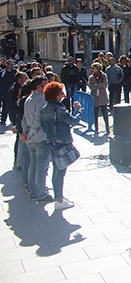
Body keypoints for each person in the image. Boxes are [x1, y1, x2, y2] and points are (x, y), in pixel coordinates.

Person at [39, 81, 83, 211]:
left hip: (51, 142)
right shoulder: (60, 109)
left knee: (56, 170)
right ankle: (59, 199)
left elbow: (43, 126)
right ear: (56, 95)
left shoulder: (44, 109)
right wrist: (78, 110)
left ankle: (60, 197)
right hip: (62, 142)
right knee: (60, 172)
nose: (62, 95)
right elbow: (73, 121)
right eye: (60, 93)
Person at [25, 76, 49, 201]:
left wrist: (26, 133)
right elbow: (38, 120)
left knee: (33, 165)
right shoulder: (41, 99)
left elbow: (24, 119)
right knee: (41, 167)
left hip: (31, 137)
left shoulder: (28, 99)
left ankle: (33, 191)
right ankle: (41, 193)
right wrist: (31, 134)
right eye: (45, 85)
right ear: (39, 87)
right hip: (39, 137)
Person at [87, 62, 109, 134]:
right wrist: (97, 86)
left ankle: (107, 128)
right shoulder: (91, 77)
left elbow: (105, 85)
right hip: (95, 96)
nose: (93, 70)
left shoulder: (103, 76)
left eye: (94, 68)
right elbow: (90, 86)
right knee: (95, 113)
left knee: (104, 113)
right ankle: (96, 128)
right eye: (92, 68)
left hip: (102, 96)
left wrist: (97, 85)